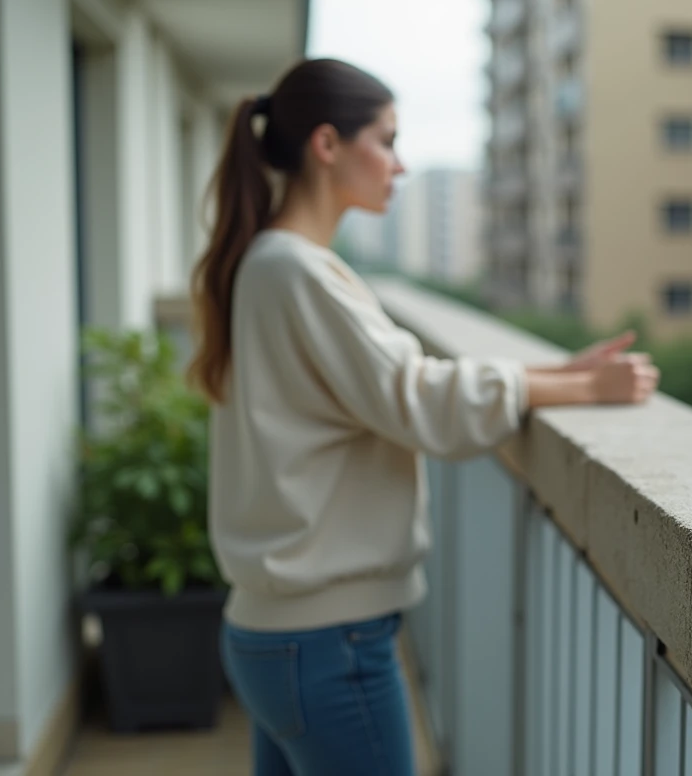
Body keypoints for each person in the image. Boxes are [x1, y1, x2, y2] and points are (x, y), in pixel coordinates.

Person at [186, 58, 659, 776]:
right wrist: (584, 393)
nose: (400, 165)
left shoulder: (271, 264)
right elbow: (416, 400)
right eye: (386, 140)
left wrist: (554, 374)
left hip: (280, 635)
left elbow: (388, 384)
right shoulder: (297, 271)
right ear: (327, 145)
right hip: (327, 642)